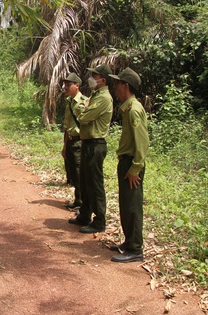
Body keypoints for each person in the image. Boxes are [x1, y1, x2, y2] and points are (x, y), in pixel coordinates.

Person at [108, 67, 149, 263]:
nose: (114, 87)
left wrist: (135, 168)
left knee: (132, 206)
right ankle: (128, 241)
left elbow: (142, 142)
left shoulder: (133, 110)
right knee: (126, 204)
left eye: (117, 83)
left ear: (125, 86)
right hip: (126, 162)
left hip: (132, 164)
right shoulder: (127, 108)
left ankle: (135, 249)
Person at [68, 64, 113, 234]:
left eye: (95, 76)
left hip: (96, 144)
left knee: (94, 184)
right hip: (88, 143)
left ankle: (99, 220)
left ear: (103, 80)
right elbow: (85, 117)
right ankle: (85, 215)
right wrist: (86, 113)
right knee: (86, 182)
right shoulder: (95, 95)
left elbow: (84, 116)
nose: (92, 79)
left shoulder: (104, 98)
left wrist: (84, 112)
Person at [60, 73, 87, 210]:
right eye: (65, 85)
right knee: (73, 174)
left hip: (79, 142)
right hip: (70, 141)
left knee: (79, 173)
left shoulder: (84, 101)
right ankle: (78, 200)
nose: (65, 87)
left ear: (77, 85)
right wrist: (64, 146)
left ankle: (82, 202)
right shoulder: (69, 102)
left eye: (68, 85)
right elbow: (67, 126)